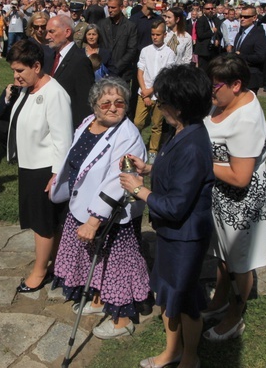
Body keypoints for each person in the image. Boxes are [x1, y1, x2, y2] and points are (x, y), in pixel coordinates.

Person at [120, 63, 214, 368]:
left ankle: (189, 358)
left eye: (162, 102)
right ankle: (172, 351)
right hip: (173, 235)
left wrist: (138, 190)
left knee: (185, 303)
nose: (158, 107)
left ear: (180, 105)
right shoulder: (183, 131)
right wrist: (148, 168)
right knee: (171, 298)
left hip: (184, 238)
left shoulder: (194, 145)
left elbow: (176, 205)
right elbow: (175, 173)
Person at [51, 77, 149, 339]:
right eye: (105, 103)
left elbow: (119, 182)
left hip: (112, 213)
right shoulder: (88, 123)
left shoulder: (129, 136)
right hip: (82, 204)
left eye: (119, 103)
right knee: (94, 257)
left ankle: (123, 320)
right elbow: (75, 158)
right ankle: (97, 299)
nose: (113, 108)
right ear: (94, 105)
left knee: (117, 263)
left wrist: (94, 220)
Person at [201, 54, 266, 341]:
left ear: (236, 85)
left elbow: (240, 176)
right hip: (222, 196)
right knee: (223, 255)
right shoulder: (227, 99)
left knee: (240, 263)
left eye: (215, 87)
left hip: (242, 202)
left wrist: (200, 162)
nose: (211, 92)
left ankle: (234, 318)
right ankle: (219, 301)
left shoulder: (246, 120)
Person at [5, 40, 73, 293]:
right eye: (13, 70)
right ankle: (52, 263)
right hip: (29, 165)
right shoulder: (27, 89)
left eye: (20, 70)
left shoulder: (54, 94)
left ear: (36, 66)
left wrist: (57, 174)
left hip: (45, 169)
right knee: (38, 220)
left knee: (43, 223)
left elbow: (63, 139)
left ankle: (40, 270)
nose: (16, 76)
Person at [134, 19, 176, 164]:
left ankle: (153, 150)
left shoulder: (170, 53)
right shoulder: (145, 50)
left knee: (157, 125)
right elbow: (140, 72)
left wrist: (152, 90)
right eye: (153, 34)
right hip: (143, 92)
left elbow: (166, 75)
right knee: (138, 122)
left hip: (159, 94)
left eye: (158, 34)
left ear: (165, 34)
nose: (155, 37)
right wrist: (145, 91)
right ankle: (136, 146)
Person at [45, 15, 95, 129]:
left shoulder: (80, 61)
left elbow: (85, 101)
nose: (47, 36)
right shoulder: (51, 57)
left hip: (68, 126)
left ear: (67, 32)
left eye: (51, 32)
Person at [232, 5, 266, 93]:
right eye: (241, 16)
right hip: (238, 75)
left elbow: (261, 56)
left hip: (251, 77)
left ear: (254, 18)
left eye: (246, 17)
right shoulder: (240, 33)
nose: (242, 19)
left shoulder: (259, 35)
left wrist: (241, 56)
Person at [195, 0, 222, 70]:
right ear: (203, 10)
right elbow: (200, 35)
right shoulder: (201, 20)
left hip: (213, 50)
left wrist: (217, 39)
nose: (210, 10)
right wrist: (212, 31)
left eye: (212, 8)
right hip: (204, 51)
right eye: (208, 9)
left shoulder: (215, 20)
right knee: (204, 70)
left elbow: (219, 31)